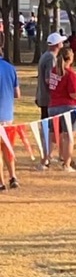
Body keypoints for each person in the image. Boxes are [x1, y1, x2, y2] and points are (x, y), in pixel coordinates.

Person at [48, 45, 76, 172]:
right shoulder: (69, 74)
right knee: (69, 136)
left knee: (57, 134)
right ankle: (67, 164)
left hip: (53, 106)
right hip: (68, 106)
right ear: (70, 58)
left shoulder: (55, 71)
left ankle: (58, 157)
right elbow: (74, 94)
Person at [35, 31, 65, 167]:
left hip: (43, 96)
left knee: (49, 128)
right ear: (57, 44)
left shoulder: (45, 56)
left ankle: (48, 155)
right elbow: (49, 79)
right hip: (48, 98)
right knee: (50, 129)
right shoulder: (51, 58)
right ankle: (46, 156)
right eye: (61, 42)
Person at [0, 45, 20, 191]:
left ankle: (1, 183)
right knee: (7, 148)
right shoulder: (10, 68)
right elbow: (17, 94)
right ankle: (13, 177)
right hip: (7, 116)